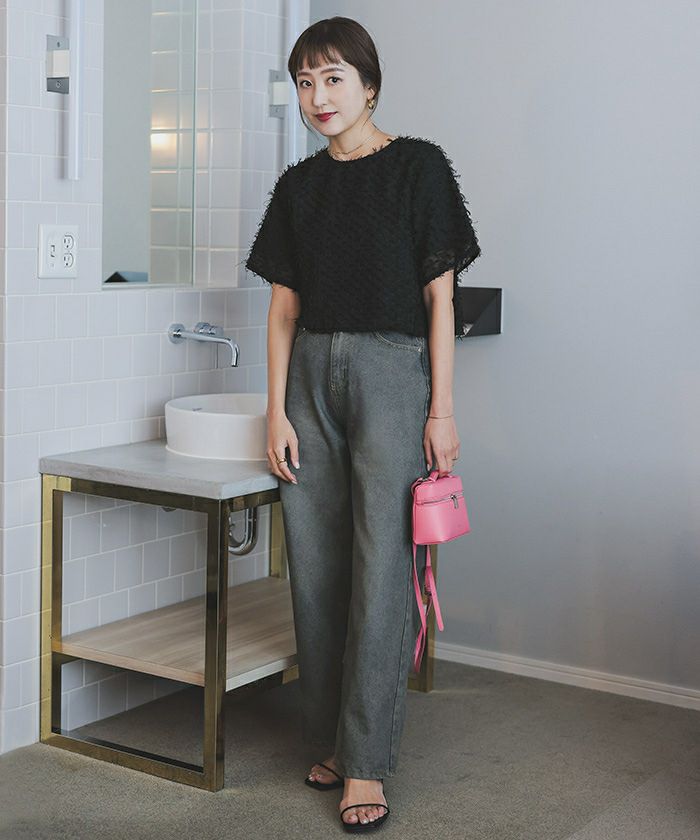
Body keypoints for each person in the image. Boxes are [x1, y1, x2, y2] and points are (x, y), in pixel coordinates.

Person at [243, 16, 481, 832]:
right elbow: (282, 310)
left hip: (390, 373)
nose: (318, 96)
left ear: (370, 85)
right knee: (314, 566)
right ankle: (333, 742)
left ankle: (367, 762)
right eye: (305, 82)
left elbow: (441, 299)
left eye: (334, 78)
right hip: (310, 376)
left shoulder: (419, 168)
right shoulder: (298, 188)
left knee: (383, 569)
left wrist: (441, 410)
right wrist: (275, 408)